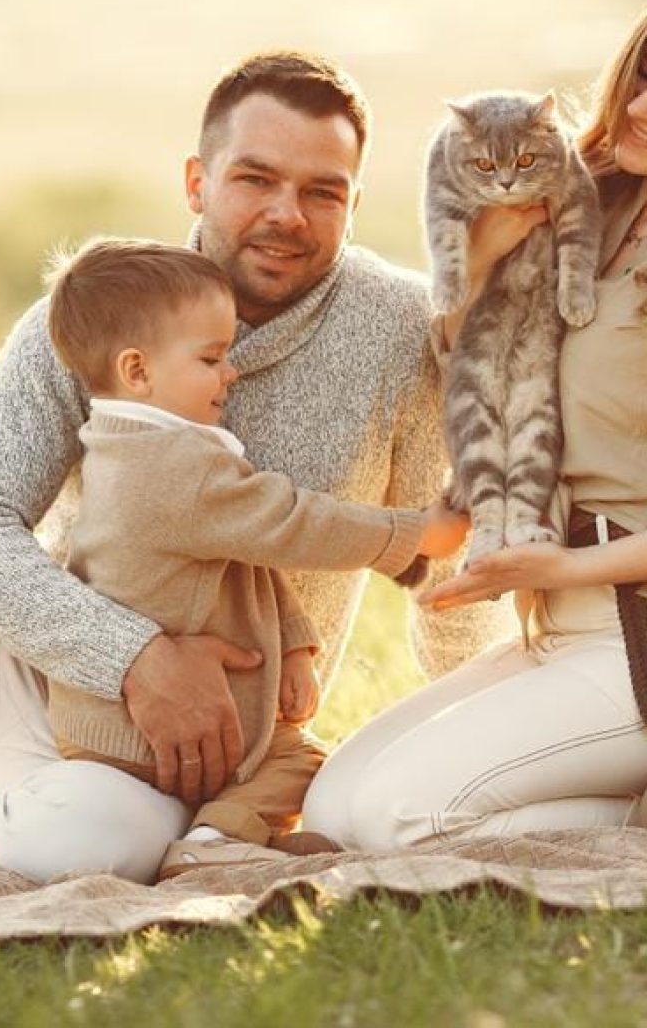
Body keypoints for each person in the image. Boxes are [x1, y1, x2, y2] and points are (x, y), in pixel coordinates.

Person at [0, 51, 503, 883]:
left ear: (354, 203)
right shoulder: (102, 306)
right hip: (21, 695)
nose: (287, 215)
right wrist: (132, 656)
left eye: (322, 191)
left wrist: (484, 731)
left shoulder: (403, 329)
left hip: (185, 768)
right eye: (254, 179)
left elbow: (437, 570)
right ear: (197, 180)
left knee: (88, 842)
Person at [302, 13, 647, 852]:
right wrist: (486, 255)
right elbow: (469, 354)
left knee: (398, 818)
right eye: (643, 75)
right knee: (334, 810)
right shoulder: (591, 194)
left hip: (628, 619)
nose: (642, 105)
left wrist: (564, 563)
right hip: (557, 616)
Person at [43, 237, 466, 878]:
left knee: (290, 752)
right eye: (212, 357)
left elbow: (248, 561)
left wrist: (294, 646)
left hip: (114, 722)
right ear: (138, 371)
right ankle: (214, 847)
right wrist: (413, 534)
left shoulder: (138, 445)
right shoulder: (171, 467)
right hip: (137, 735)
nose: (230, 371)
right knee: (299, 760)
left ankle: (223, 835)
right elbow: (292, 524)